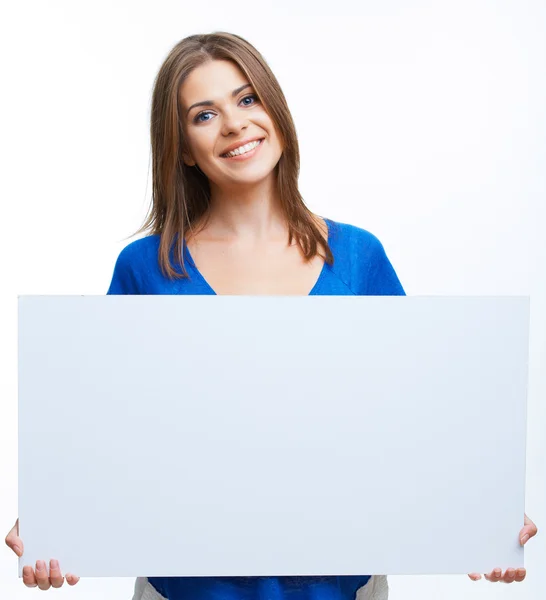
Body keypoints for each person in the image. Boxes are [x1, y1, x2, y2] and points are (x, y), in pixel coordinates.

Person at [5, 32, 538, 599]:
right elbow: (102, 430)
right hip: (189, 587)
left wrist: (486, 515)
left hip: (335, 584)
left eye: (248, 99)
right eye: (204, 114)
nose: (234, 124)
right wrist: (54, 519)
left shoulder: (358, 257)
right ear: (182, 146)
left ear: (276, 113)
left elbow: (417, 418)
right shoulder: (147, 266)